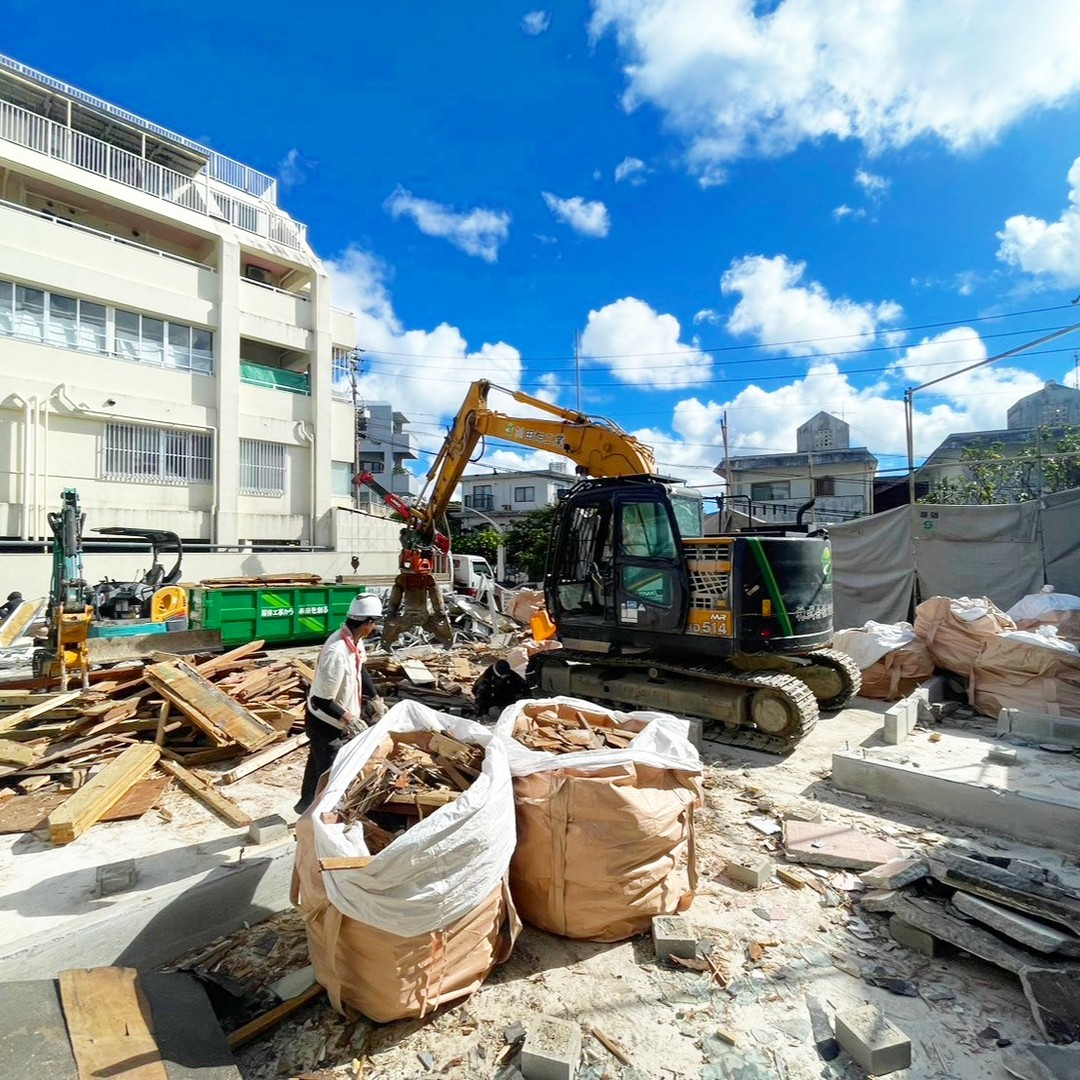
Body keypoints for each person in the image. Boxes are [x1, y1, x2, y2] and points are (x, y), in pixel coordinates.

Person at [295, 594, 388, 814]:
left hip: (336, 720)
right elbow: (321, 700)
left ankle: (305, 805)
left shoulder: (355, 642)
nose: (374, 628)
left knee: (317, 765)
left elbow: (360, 669)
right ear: (367, 623)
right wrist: (350, 720)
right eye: (374, 623)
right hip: (325, 724)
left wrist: (375, 698)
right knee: (332, 773)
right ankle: (321, 817)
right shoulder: (336, 651)